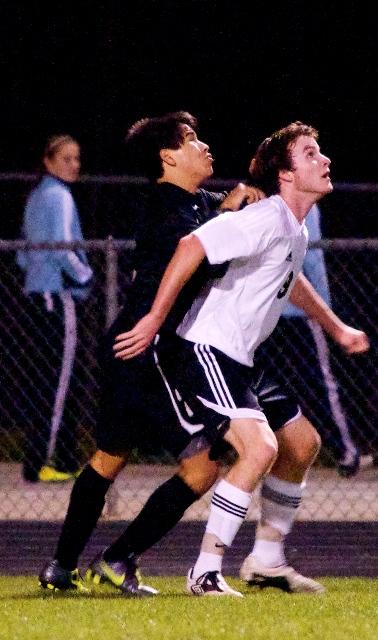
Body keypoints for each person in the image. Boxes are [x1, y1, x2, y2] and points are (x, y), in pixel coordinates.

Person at [38, 115, 368, 597]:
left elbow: (267, 256)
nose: (204, 145)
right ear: (167, 158)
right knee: (146, 461)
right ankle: (82, 563)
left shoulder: (212, 205)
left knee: (215, 458)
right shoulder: (163, 207)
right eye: (190, 140)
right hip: (150, 350)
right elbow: (194, 244)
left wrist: (335, 325)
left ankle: (103, 561)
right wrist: (229, 212)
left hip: (174, 349)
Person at [112, 121, 338, 597]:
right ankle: (204, 571)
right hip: (208, 349)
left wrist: (335, 326)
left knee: (301, 444)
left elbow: (291, 281)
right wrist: (154, 318)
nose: (324, 160)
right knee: (258, 449)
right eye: (311, 153)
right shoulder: (265, 216)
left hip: (242, 356)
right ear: (286, 172)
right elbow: (192, 245)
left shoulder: (290, 227)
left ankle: (267, 561)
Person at [260, 203, 360, 477]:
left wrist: (323, 311)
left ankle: (344, 449)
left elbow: (310, 264)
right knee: (258, 383)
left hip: (299, 311)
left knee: (317, 381)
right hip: (271, 311)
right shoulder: (267, 205)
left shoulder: (309, 206)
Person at [17, 135, 93, 483]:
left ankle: (54, 460)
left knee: (44, 382)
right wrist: (87, 275)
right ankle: (47, 462)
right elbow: (63, 248)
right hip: (57, 297)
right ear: (48, 161)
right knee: (60, 384)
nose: (74, 165)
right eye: (66, 159)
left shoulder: (36, 196)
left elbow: (22, 254)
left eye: (77, 158)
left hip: (35, 296)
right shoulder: (59, 196)